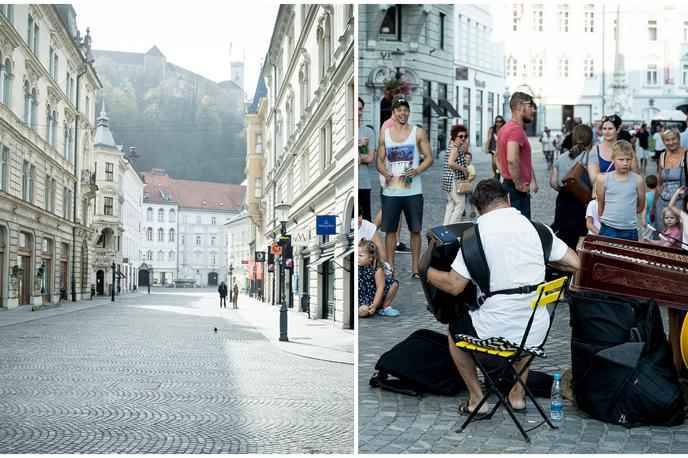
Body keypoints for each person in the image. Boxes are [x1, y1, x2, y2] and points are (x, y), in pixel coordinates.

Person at [426, 179, 580, 415]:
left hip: (495, 329)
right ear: (508, 200)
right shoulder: (537, 229)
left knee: (453, 330)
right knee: (526, 322)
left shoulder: (474, 236)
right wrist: (545, 255)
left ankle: (477, 400)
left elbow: (454, 285)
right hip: (535, 330)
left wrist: (426, 271)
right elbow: (575, 263)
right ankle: (517, 395)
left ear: (477, 208)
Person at [376, 94, 434, 279]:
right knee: (390, 231)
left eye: (406, 110)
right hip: (391, 190)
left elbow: (430, 158)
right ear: (393, 113)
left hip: (413, 190)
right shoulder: (385, 134)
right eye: (399, 110)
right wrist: (384, 172)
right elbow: (378, 160)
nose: (403, 113)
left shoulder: (418, 132)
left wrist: (417, 170)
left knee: (415, 230)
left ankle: (415, 269)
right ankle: (390, 268)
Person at [549, 124, 599, 249]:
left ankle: (563, 264)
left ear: (573, 138)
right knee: (579, 237)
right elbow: (594, 180)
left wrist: (566, 189)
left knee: (564, 236)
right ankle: (577, 265)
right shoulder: (590, 155)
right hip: (581, 201)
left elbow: (553, 182)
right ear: (590, 138)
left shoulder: (562, 157)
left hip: (563, 200)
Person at [497, 92, 538, 218]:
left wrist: (532, 179)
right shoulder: (516, 130)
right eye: (530, 106)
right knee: (521, 231)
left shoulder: (505, 128)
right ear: (520, 107)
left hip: (509, 184)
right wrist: (519, 184)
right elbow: (512, 159)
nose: (534, 110)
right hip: (516, 189)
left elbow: (497, 157)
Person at [595, 140, 646, 241]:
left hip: (629, 229)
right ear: (613, 159)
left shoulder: (638, 180)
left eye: (628, 159)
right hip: (608, 227)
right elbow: (601, 203)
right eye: (621, 159)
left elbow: (640, 206)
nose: (625, 163)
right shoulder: (604, 179)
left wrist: (627, 212)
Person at [666, 186, 688, 371]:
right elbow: (670, 206)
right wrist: (677, 194)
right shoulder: (684, 216)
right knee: (675, 311)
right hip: (684, 256)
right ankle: (676, 362)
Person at [651, 127, 686, 233]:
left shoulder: (686, 155)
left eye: (673, 138)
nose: (671, 142)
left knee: (679, 239)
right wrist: (653, 207)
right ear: (663, 141)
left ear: (679, 138)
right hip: (662, 205)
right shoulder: (662, 156)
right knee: (661, 237)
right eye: (667, 140)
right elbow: (659, 183)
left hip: (680, 204)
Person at [358, 240, 400, 317]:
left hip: (374, 297)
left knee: (394, 283)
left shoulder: (377, 269)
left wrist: (374, 305)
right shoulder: (357, 267)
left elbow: (380, 287)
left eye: (360, 255)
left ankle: (385, 306)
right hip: (361, 298)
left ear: (370, 257)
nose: (357, 258)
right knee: (362, 311)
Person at [441, 124, 470, 225]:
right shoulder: (455, 148)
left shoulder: (453, 146)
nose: (463, 138)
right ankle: (452, 229)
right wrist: (464, 170)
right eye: (460, 136)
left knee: (451, 205)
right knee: (460, 205)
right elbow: (451, 162)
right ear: (454, 136)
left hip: (449, 180)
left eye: (465, 136)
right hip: (454, 180)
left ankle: (445, 229)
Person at [358, 98, 376, 222]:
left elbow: (370, 158)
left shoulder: (368, 132)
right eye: (356, 109)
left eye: (360, 109)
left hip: (364, 183)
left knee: (365, 221)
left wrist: (356, 156)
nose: (359, 112)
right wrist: (358, 145)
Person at [640, 174, 658, 239]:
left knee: (646, 237)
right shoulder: (659, 195)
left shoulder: (646, 196)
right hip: (657, 220)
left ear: (647, 185)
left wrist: (643, 220)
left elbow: (644, 209)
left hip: (648, 220)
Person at [464, 152, 477, 218]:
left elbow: (473, 176)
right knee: (463, 199)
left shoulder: (471, 167)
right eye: (466, 157)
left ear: (471, 159)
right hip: (462, 187)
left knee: (471, 199)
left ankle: (473, 211)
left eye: (469, 158)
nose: (468, 159)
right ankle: (463, 211)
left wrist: (467, 179)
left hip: (469, 187)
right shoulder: (462, 166)